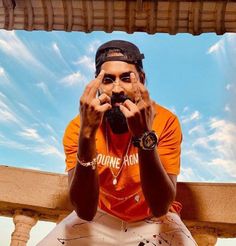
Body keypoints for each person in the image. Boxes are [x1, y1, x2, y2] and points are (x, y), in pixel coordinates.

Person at [38, 40, 197, 245]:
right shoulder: (78, 127)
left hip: (153, 219)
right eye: (107, 80)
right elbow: (85, 211)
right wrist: (87, 135)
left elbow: (160, 206)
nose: (116, 89)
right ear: (96, 84)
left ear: (141, 79)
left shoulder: (166, 121)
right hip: (99, 216)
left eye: (125, 78)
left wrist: (144, 136)